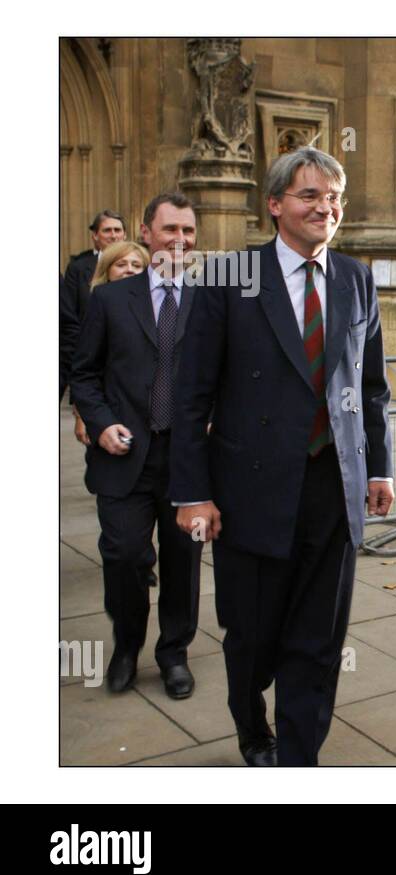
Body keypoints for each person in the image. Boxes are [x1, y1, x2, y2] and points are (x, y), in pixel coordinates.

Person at [171, 147, 394, 767]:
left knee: (319, 640)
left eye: (333, 197)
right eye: (309, 196)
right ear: (274, 205)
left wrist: (378, 466)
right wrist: (193, 492)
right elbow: (191, 398)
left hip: (333, 487)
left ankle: (298, 759)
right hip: (250, 492)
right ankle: (252, 726)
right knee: (251, 635)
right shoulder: (227, 277)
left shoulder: (356, 278)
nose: (325, 207)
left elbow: (371, 386)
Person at [70, 195, 204, 700]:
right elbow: (83, 374)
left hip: (187, 462)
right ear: (145, 233)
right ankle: (127, 647)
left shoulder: (209, 300)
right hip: (123, 458)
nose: (179, 240)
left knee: (182, 563)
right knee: (124, 556)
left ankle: (174, 653)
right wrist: (100, 424)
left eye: (188, 231)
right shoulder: (109, 299)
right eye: (169, 229)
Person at [69, 242, 152, 449]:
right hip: (110, 418)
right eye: (121, 264)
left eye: (136, 264)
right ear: (107, 269)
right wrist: (85, 417)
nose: (129, 269)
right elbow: (85, 369)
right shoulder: (98, 304)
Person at [61, 210, 126, 400]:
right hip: (91, 356)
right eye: (107, 230)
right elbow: (71, 317)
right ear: (95, 236)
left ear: (125, 235)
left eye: (117, 230)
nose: (113, 235)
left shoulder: (140, 263)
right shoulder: (79, 268)